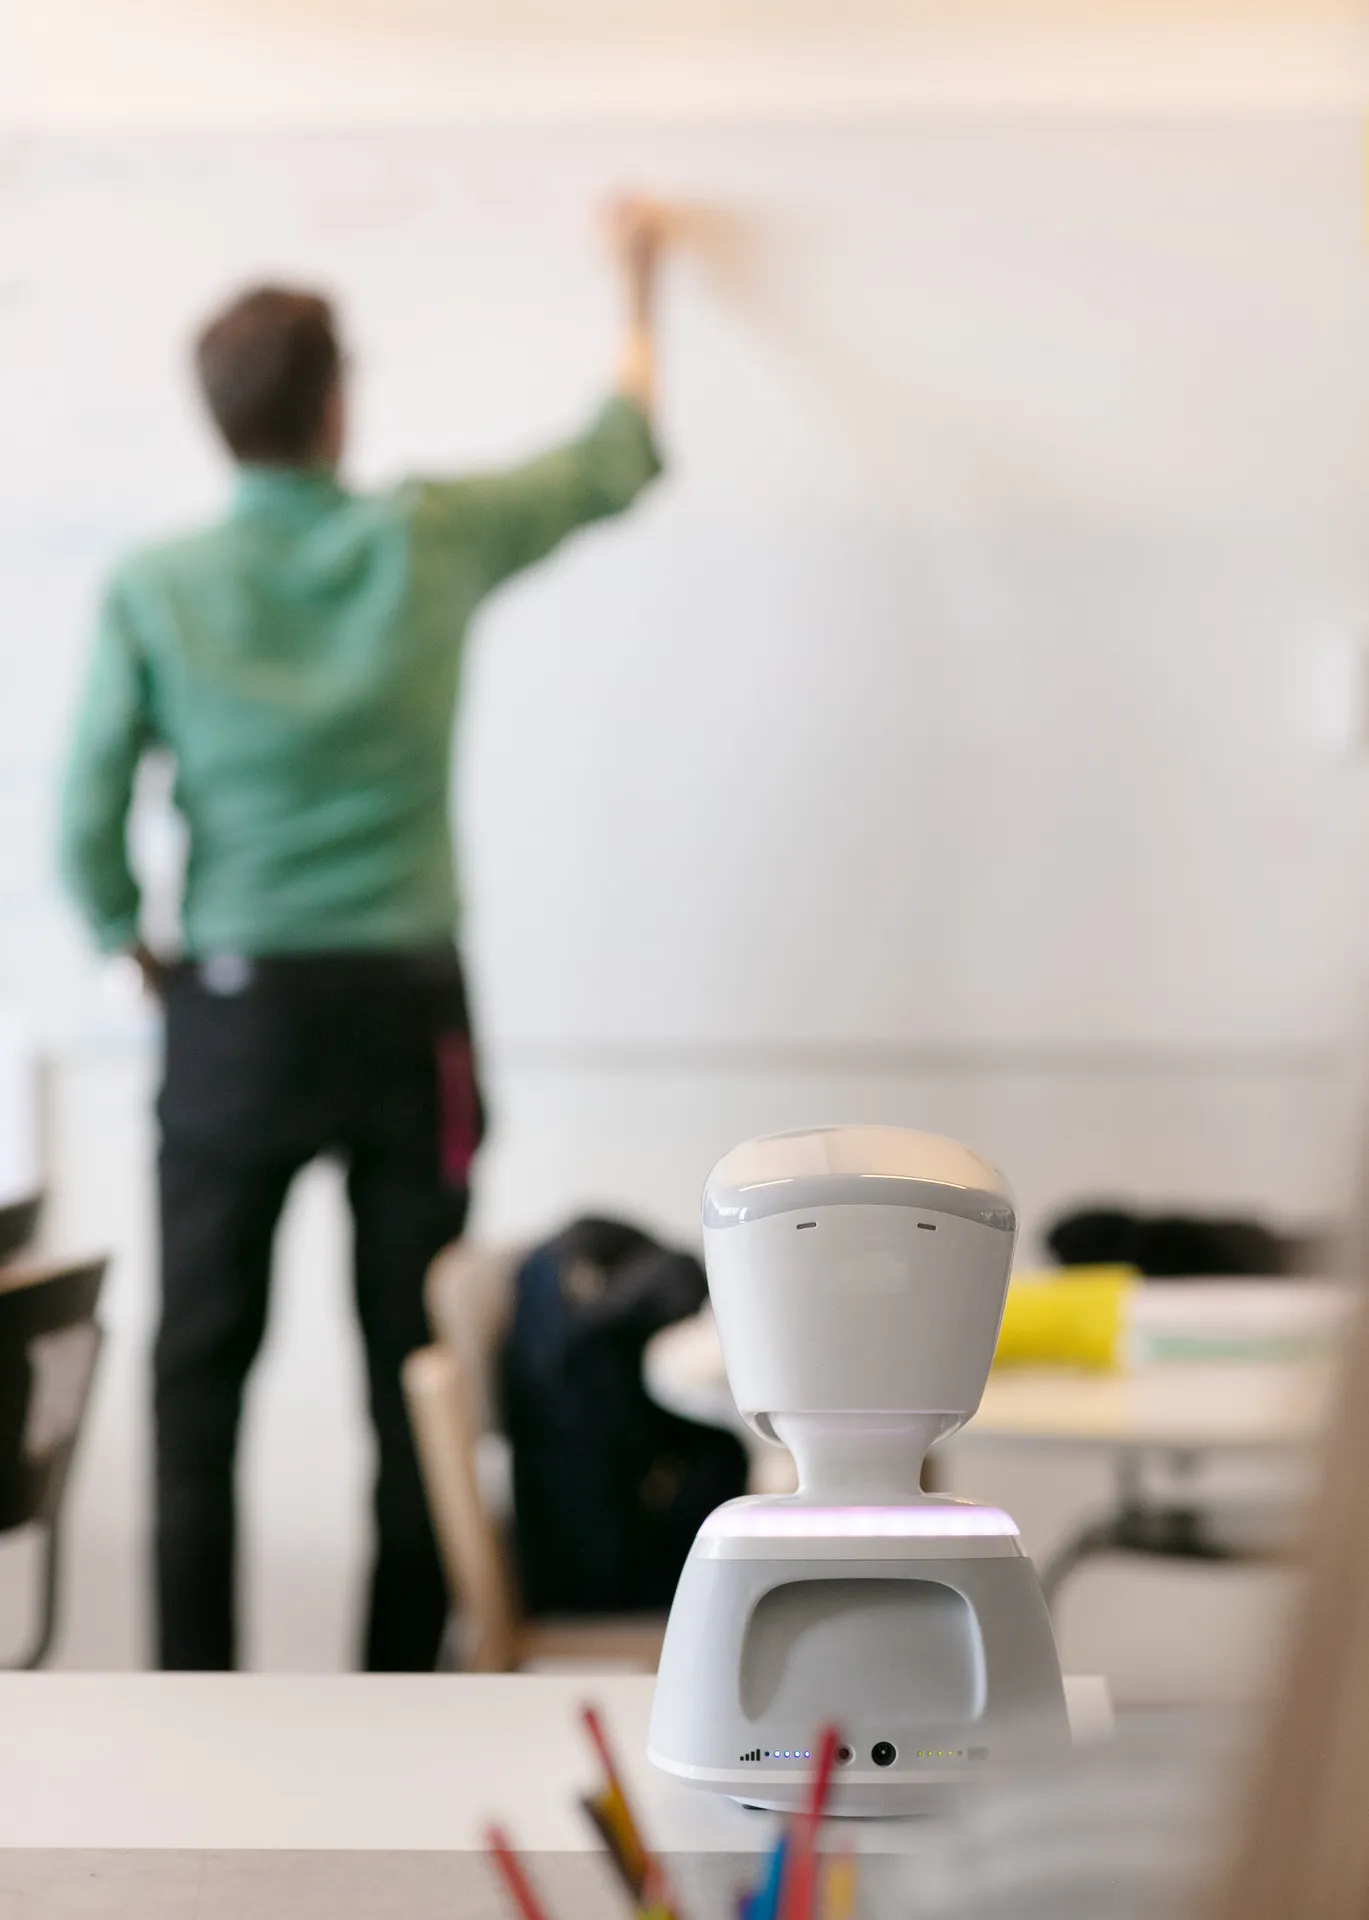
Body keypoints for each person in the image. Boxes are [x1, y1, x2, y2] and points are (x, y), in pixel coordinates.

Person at [58, 197, 671, 1673]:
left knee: (198, 1379)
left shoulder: (156, 587)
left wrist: (136, 945)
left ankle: (190, 1703)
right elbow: (614, 457)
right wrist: (640, 284)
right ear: (337, 404)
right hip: (409, 1017)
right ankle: (396, 1696)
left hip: (232, 1012)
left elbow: (83, 820)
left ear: (220, 421)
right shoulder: (425, 539)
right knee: (415, 1373)